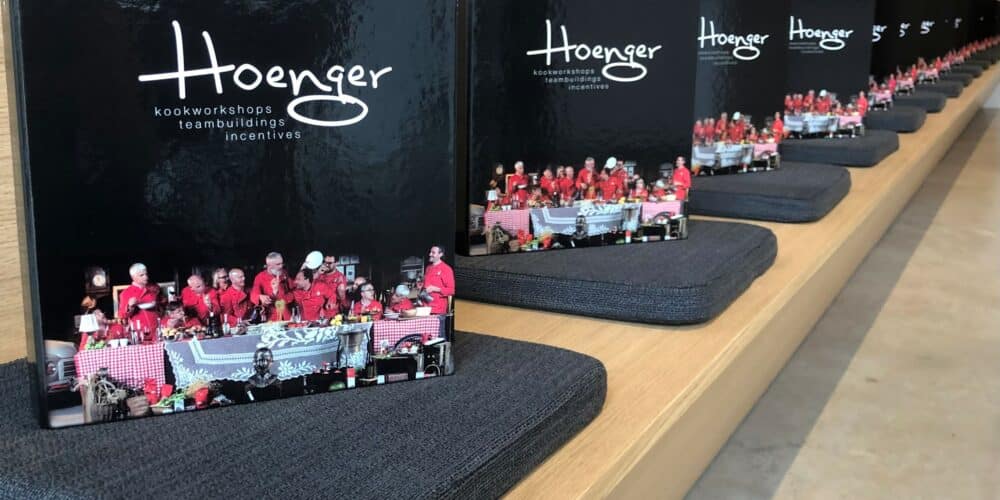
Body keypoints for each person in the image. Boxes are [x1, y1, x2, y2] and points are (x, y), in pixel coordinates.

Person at [117, 263, 162, 333]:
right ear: (133, 277)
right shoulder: (126, 293)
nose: (146, 277)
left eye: (146, 274)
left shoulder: (153, 289)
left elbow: (160, 307)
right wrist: (130, 306)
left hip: (156, 328)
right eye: (141, 275)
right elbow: (122, 315)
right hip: (139, 331)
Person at [250, 252, 294, 322]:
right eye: (278, 264)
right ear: (269, 265)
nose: (281, 266)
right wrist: (260, 297)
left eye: (282, 263)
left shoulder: (284, 273)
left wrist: (285, 298)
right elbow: (253, 295)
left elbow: (293, 290)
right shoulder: (260, 277)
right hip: (271, 318)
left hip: (287, 315)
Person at [422, 245, 454, 315]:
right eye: (430, 252)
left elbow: (451, 290)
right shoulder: (428, 268)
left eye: (433, 252)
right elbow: (426, 286)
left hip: (437, 310)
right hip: (425, 308)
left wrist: (435, 289)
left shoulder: (446, 269)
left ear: (440, 254)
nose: (430, 254)